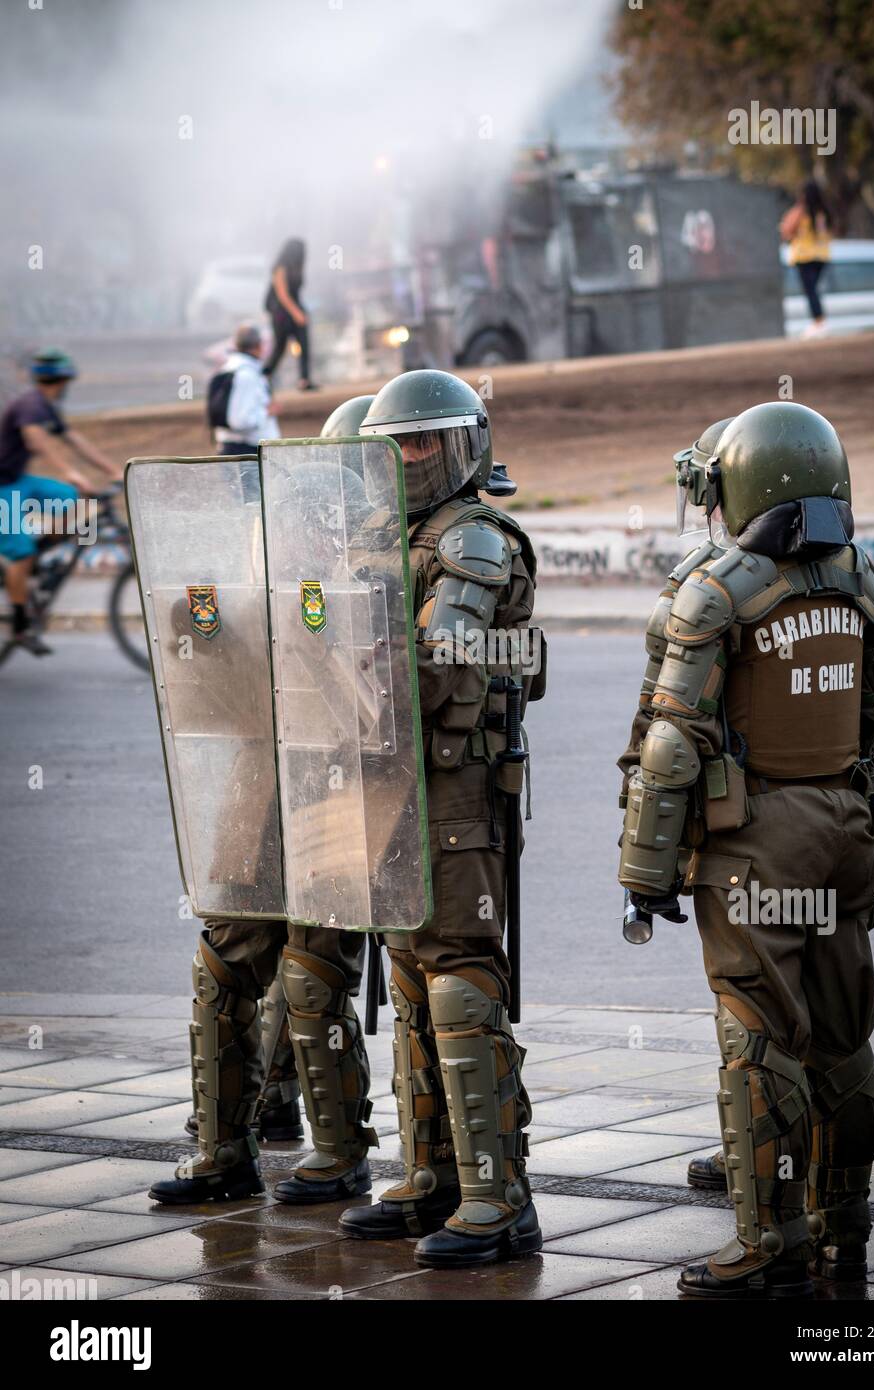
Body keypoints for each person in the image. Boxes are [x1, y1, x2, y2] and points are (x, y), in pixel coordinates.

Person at [617, 401, 874, 1298]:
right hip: (844, 831)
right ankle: (842, 1225)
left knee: (757, 1036)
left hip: (756, 844)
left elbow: (670, 746)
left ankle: (767, 1242)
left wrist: (645, 875)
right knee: (841, 1034)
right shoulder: (863, 582)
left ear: (740, 488)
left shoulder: (715, 591)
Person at [150, 395, 388, 1209]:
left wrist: (320, 612)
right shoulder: (274, 555)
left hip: (336, 785)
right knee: (225, 963)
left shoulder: (382, 565)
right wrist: (204, 611)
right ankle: (222, 1147)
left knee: (314, 973)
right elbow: (221, 661)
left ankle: (339, 1152)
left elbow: (371, 704)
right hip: (261, 782)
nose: (317, 522)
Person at [339, 369, 545, 1269]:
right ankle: (436, 1177)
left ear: (461, 445)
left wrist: (339, 666)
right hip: (394, 787)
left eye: (421, 441)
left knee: (460, 982)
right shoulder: (398, 537)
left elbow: (431, 669)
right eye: (394, 444)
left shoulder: (472, 541)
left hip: (456, 793)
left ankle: (500, 1200)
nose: (407, 458)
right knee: (414, 985)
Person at [0, 348, 119, 654]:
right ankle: (20, 625)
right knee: (21, 553)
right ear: (60, 380)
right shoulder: (30, 404)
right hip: (4, 488)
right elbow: (35, 440)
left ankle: (40, 554)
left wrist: (114, 469)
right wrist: (71, 472)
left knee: (69, 498)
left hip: (19, 481)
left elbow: (75, 441)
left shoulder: (46, 406)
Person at [209, 322, 280, 454]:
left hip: (236, 449)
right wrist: (266, 412)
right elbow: (239, 421)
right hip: (246, 453)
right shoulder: (246, 376)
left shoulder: (229, 369)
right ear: (259, 346)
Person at [780, 181, 832, 337]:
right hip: (822, 255)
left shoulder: (801, 211)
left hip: (804, 255)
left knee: (810, 291)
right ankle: (819, 321)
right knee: (813, 290)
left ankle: (819, 322)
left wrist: (789, 235)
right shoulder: (823, 211)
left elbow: (786, 229)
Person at [263, 238, 315, 389]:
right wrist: (297, 313)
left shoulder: (297, 268)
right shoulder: (280, 268)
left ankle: (304, 380)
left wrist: (301, 311)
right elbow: (282, 295)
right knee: (280, 347)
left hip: (296, 308)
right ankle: (264, 376)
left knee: (304, 345)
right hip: (282, 314)